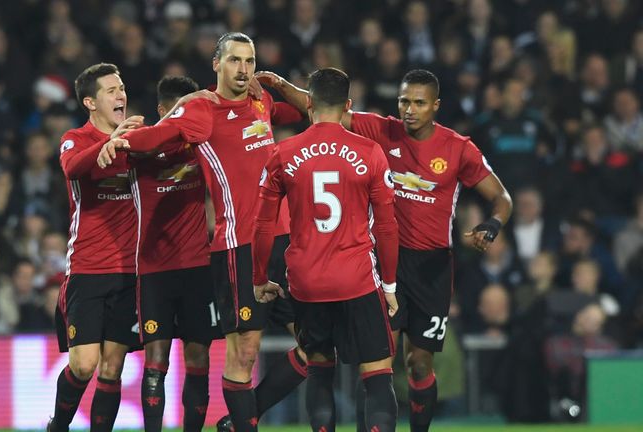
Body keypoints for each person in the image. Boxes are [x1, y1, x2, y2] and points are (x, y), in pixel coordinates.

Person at [259, 68, 512, 431]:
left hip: (433, 268)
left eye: (419, 103)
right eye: (404, 101)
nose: (410, 109)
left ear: (435, 106)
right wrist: (282, 86)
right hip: (384, 263)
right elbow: (323, 106)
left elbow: (501, 196)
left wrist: (493, 224)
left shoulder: (458, 148)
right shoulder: (382, 130)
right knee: (378, 360)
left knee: (420, 363)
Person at [97, 32, 309, 432]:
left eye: (249, 61)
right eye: (234, 61)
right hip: (239, 245)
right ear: (217, 64)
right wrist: (120, 141)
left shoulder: (261, 100)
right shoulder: (203, 109)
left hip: (284, 240)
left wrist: (279, 83)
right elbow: (158, 136)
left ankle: (241, 419)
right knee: (244, 354)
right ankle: (244, 425)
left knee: (316, 346)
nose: (243, 69)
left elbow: (307, 109)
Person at [252, 67, 400, 432]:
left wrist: (258, 278)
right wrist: (391, 285)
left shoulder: (282, 153)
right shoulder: (371, 152)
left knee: (319, 372)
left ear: (310, 104)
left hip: (307, 282)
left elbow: (263, 225)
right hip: (358, 281)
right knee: (377, 375)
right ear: (348, 105)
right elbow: (386, 226)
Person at [48, 63, 144, 432]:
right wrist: (109, 141)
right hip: (87, 270)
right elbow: (73, 168)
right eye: (110, 90)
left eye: (122, 88)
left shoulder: (139, 138)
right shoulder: (76, 138)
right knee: (84, 365)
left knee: (112, 367)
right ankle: (58, 425)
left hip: (130, 271)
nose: (120, 95)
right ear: (90, 102)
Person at [130, 76, 220, 432]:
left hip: (198, 266)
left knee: (199, 358)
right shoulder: (138, 148)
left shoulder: (198, 147)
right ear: (162, 111)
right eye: (176, 112)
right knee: (156, 360)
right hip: (153, 270)